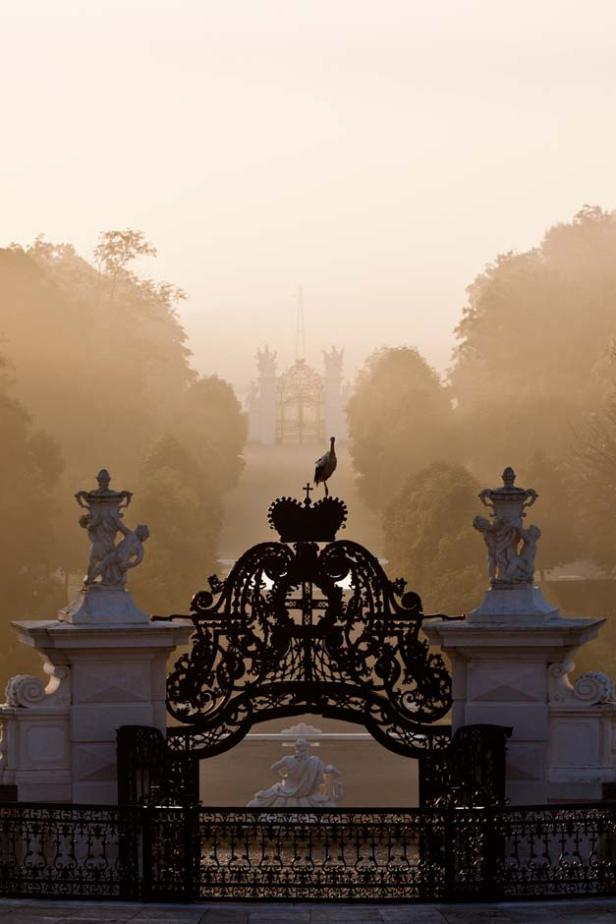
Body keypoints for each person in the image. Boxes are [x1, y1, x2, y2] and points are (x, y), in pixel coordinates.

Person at [247, 738, 342, 808]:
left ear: (296, 748)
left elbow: (273, 768)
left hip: (285, 791)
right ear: (307, 749)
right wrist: (334, 771)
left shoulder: (287, 759)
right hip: (306, 794)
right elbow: (328, 770)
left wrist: (282, 776)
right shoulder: (315, 761)